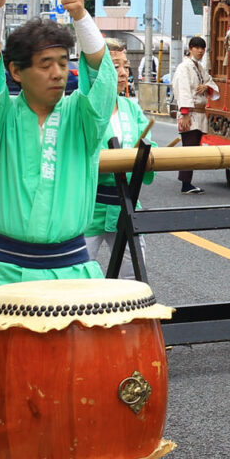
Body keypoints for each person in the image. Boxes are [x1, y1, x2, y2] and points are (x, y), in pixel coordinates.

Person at [0, 0, 117, 456]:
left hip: (73, 268)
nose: (57, 72)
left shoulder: (84, 117)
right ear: (17, 71)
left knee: (84, 379)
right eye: (44, 63)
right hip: (6, 269)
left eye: (62, 62)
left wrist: (81, 13)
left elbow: (102, 75)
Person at [84, 38, 155, 279]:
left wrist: (147, 155)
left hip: (124, 202)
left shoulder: (131, 108)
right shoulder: (81, 107)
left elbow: (150, 145)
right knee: (75, 278)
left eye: (125, 66)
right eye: (115, 67)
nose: (124, 72)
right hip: (86, 207)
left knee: (133, 277)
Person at [174, 36, 217, 195]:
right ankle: (186, 184)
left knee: (192, 148)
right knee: (189, 148)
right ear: (191, 48)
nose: (200, 51)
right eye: (197, 48)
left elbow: (211, 82)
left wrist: (206, 86)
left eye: (202, 48)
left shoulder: (199, 67)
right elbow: (183, 89)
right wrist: (185, 113)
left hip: (199, 112)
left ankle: (187, 182)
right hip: (190, 113)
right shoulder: (184, 67)